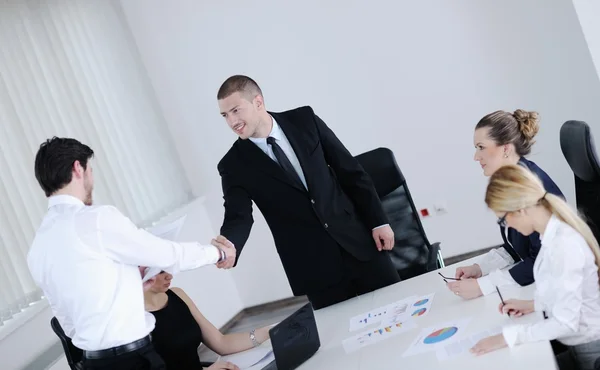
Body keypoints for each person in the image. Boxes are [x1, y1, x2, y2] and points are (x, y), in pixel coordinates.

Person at [27, 137, 236, 370]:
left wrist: (128, 290)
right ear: (78, 168)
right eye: (90, 170)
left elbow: (70, 325)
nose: (92, 179)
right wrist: (217, 253)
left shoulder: (38, 248)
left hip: (94, 364)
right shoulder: (96, 219)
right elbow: (168, 254)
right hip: (134, 359)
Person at [215, 75, 400, 309]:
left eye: (235, 111)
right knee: (343, 337)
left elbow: (351, 172)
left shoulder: (305, 120)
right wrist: (229, 244)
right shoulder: (233, 165)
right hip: (314, 267)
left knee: (399, 309)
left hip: (360, 242)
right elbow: (238, 216)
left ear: (258, 102)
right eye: (225, 116)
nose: (232, 122)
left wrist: (378, 222)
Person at [470, 164, 600, 370]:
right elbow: (564, 292)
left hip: (588, 350)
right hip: (576, 342)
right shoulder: (549, 234)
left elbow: (567, 322)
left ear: (521, 210)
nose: (508, 227)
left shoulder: (564, 246)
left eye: (503, 220)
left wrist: (508, 337)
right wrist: (535, 304)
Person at [447, 109, 563, 299]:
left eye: (481, 147)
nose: (476, 157)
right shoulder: (513, 179)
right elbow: (518, 245)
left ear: (506, 149)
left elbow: (544, 260)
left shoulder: (529, 190)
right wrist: (481, 268)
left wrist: (483, 286)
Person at [145, 271, 272, 370]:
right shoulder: (131, 318)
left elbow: (221, 343)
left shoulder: (177, 294)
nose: (169, 276)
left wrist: (269, 331)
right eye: (160, 271)